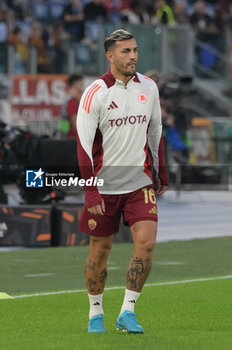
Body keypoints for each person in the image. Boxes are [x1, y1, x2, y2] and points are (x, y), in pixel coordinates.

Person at [76, 29, 168, 334]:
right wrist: (91, 192)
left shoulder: (150, 88)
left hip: (139, 183)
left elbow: (155, 131)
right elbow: (84, 147)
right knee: (99, 253)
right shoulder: (96, 93)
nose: (133, 56)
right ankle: (95, 313)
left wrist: (161, 170)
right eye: (126, 51)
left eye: (135, 50)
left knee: (147, 243)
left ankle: (127, 311)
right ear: (110, 56)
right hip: (103, 188)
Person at [59, 74, 83, 138]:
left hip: (65, 136)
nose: (82, 86)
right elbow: (74, 120)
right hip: (70, 137)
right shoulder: (71, 100)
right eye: (80, 84)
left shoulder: (68, 98)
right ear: (75, 84)